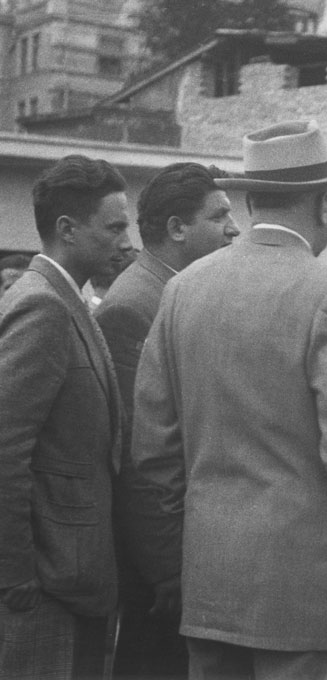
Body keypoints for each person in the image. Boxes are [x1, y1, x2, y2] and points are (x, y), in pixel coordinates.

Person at [127, 120, 327, 679]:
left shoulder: (182, 289)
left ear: (249, 200)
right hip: (305, 592)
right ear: (325, 204)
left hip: (210, 581)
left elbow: (153, 453)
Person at [96, 161, 239, 678]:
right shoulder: (136, 306)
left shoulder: (174, 292)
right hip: (161, 569)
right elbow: (141, 457)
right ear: (177, 228)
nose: (234, 228)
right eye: (219, 215)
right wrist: (167, 570)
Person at [0, 154, 132, 679]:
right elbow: (5, 450)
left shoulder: (65, 299)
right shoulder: (44, 308)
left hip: (67, 580)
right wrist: (15, 575)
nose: (127, 241)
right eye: (115, 226)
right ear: (67, 230)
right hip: (44, 589)